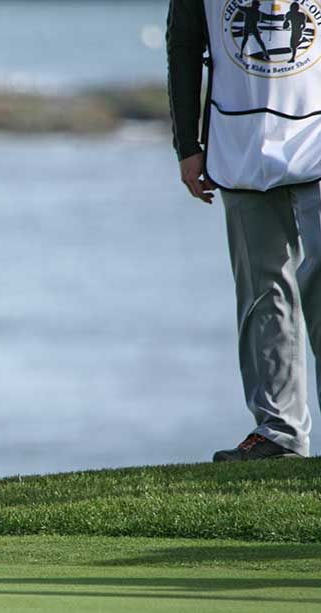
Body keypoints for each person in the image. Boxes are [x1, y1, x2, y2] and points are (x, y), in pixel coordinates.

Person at [168, 0, 321, 461]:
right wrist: (187, 145)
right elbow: (184, 47)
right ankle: (278, 434)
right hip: (239, 144)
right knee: (261, 291)